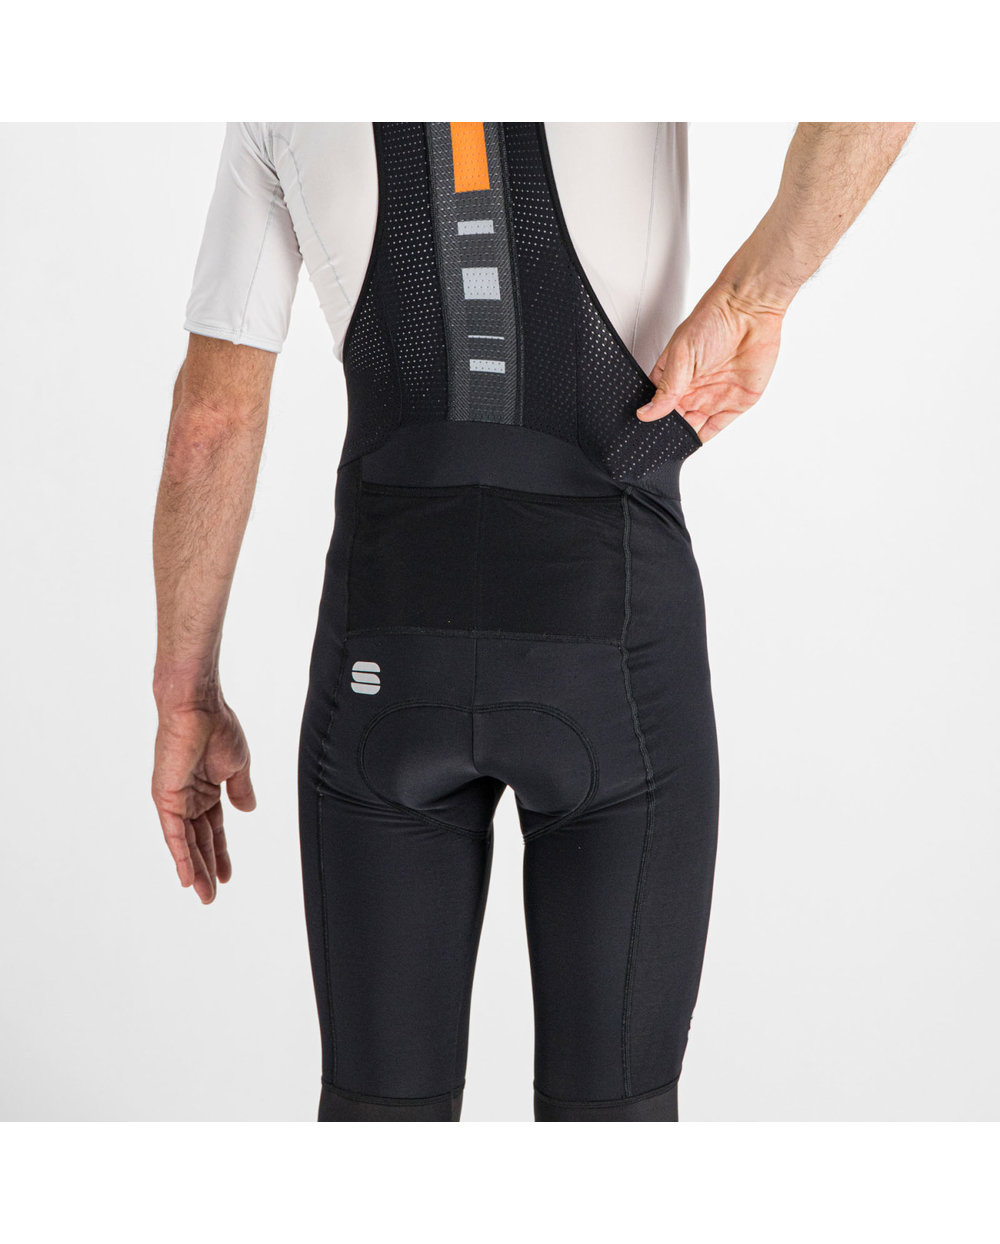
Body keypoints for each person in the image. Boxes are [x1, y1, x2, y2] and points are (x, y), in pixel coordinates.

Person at [152, 122, 912, 1122]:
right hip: (612, 650)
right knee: (615, 1123)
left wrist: (186, 691)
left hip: (386, 655)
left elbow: (211, 419)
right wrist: (754, 295)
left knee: (377, 1122)